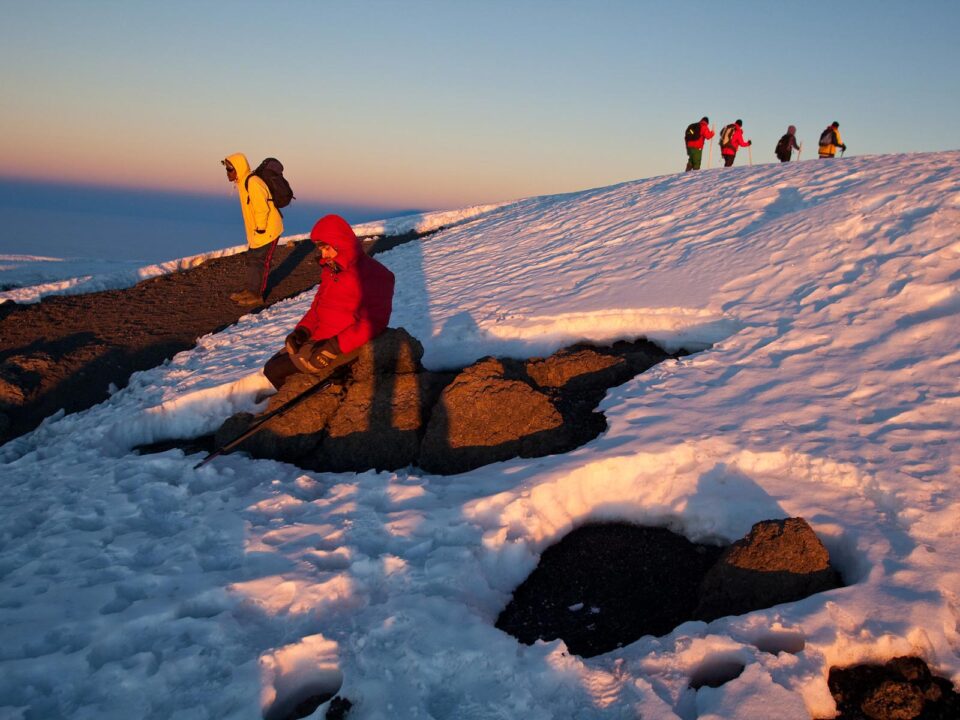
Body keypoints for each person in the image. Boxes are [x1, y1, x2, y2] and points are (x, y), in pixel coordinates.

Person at [263, 214, 395, 390]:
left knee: (276, 371)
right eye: (321, 250)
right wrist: (302, 331)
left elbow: (374, 321)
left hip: (344, 346)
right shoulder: (331, 271)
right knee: (272, 366)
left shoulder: (374, 274)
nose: (323, 255)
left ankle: (305, 403)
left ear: (339, 244)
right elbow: (317, 308)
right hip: (320, 338)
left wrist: (334, 346)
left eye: (326, 249)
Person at [222, 153, 284, 306]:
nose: (228, 173)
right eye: (227, 170)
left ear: (239, 168)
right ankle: (250, 290)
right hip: (258, 232)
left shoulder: (253, 182)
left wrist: (261, 229)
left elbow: (262, 209)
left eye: (230, 170)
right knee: (252, 260)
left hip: (267, 230)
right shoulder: (243, 182)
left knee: (260, 262)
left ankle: (257, 295)